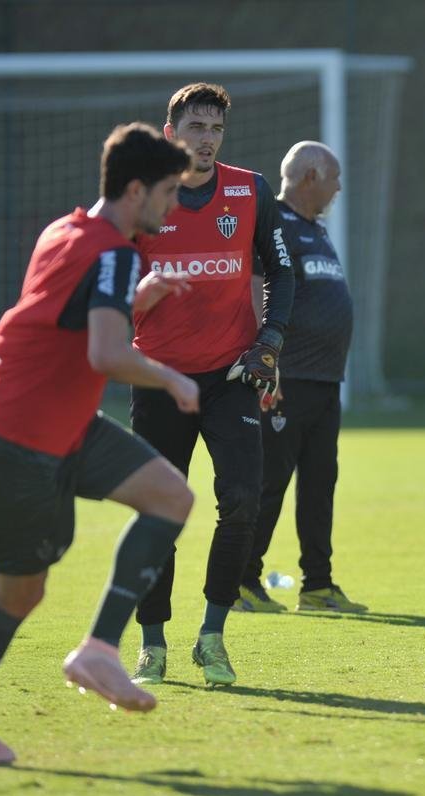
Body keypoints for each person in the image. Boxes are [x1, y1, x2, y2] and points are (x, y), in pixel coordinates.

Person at [0, 123, 197, 765]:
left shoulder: (67, 230)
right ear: (136, 189)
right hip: (21, 437)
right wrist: (169, 375)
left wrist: (139, 299)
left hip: (61, 424)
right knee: (19, 592)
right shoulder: (115, 254)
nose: (173, 206)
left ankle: (99, 651)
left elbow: (67, 324)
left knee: (170, 496)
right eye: (166, 192)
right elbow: (105, 351)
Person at [129, 83, 295, 687]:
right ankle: (152, 643)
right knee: (159, 512)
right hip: (159, 379)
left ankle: (213, 637)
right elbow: (109, 286)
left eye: (215, 129)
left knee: (244, 502)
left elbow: (279, 270)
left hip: (231, 377)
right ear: (170, 132)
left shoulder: (249, 190)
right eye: (195, 127)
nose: (206, 139)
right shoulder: (142, 199)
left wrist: (269, 340)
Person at [234, 141, 366, 615]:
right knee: (270, 481)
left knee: (319, 483)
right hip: (287, 378)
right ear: (309, 176)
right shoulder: (274, 225)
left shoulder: (318, 230)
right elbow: (253, 288)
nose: (338, 187)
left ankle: (318, 585)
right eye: (334, 177)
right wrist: (266, 361)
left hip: (325, 380)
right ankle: (242, 581)